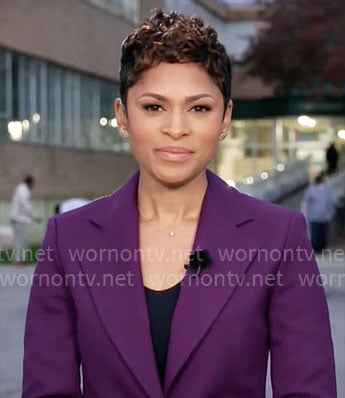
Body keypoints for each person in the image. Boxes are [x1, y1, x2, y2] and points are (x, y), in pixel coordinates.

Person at [22, 10, 337, 398]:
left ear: (225, 119)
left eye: (199, 108)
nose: (176, 128)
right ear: (123, 117)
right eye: (154, 107)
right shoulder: (67, 240)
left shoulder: (280, 237)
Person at [301, 173, 335, 253]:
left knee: (324, 233)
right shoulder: (311, 190)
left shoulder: (327, 190)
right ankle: (316, 249)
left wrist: (331, 213)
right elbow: (307, 203)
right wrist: (306, 215)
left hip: (324, 216)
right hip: (314, 216)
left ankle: (323, 248)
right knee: (316, 233)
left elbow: (330, 203)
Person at [9, 175, 39, 264]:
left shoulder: (21, 188)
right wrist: (33, 215)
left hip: (19, 218)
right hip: (19, 219)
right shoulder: (23, 189)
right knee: (20, 240)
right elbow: (24, 203)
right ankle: (18, 260)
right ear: (29, 182)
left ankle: (20, 259)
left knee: (21, 240)